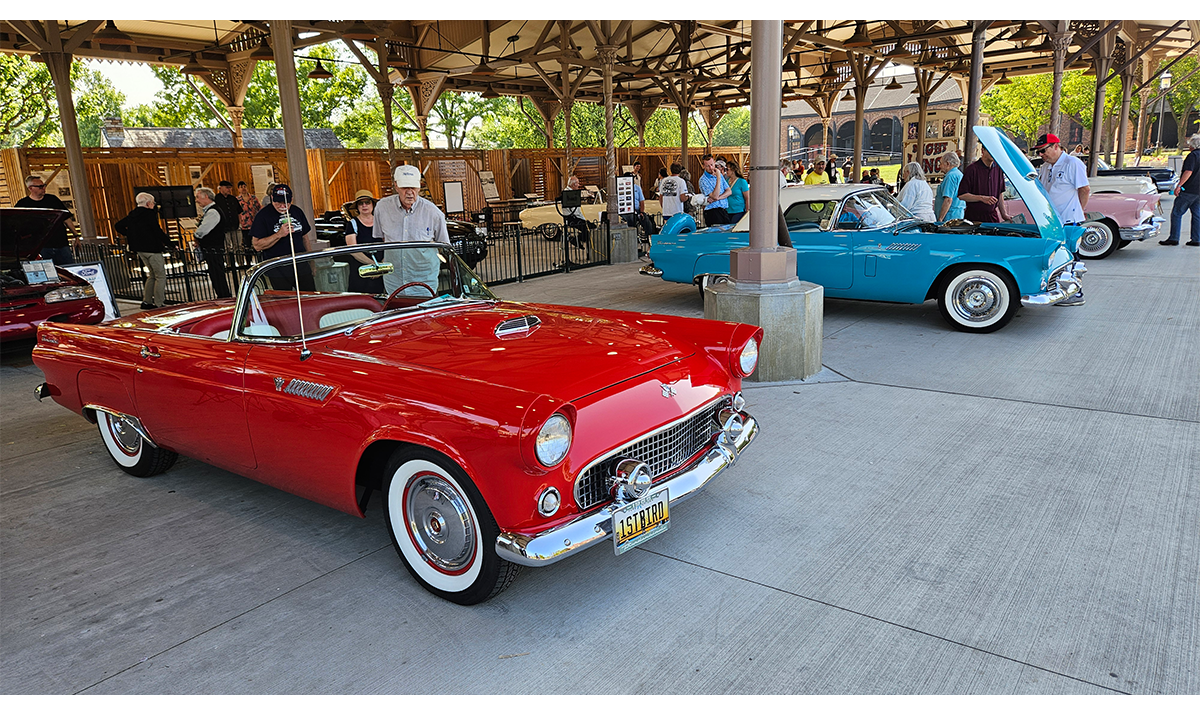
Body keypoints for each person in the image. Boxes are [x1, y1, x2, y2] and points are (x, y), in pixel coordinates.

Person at [374, 164, 449, 296]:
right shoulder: (382, 208)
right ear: (396, 185)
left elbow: (444, 246)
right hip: (393, 282)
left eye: (413, 187)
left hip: (424, 282)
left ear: (419, 186)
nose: (409, 192)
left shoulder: (433, 213)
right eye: (404, 187)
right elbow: (383, 238)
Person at [1033, 132, 1090, 306]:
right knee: (1055, 258)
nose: (1041, 155)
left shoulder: (1072, 163)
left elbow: (1084, 189)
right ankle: (1059, 289)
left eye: (1043, 150)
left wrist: (1079, 210)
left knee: (1071, 257)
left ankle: (1076, 292)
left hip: (1068, 219)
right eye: (1039, 152)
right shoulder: (1045, 167)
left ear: (1055, 146)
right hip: (1052, 221)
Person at [114, 192, 172, 309]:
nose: (154, 205)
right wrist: (170, 243)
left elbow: (118, 225)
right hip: (152, 248)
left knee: (151, 275)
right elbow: (157, 231)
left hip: (140, 249)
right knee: (160, 276)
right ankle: (159, 303)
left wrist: (130, 235)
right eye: (153, 203)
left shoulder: (132, 214)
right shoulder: (149, 214)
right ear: (149, 203)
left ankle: (147, 301)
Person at [250, 183, 313, 292]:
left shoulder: (297, 211)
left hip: (301, 266)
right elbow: (257, 245)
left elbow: (305, 238)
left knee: (309, 297)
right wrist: (279, 234)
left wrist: (311, 263)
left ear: (291, 200)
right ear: (272, 198)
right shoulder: (263, 216)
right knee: (285, 301)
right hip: (278, 269)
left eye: (286, 203)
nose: (282, 206)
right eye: (278, 202)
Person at [16, 175, 77, 264]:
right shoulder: (23, 204)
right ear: (31, 188)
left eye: (44, 185)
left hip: (61, 244)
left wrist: (76, 235)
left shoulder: (53, 199)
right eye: (40, 187)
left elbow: (66, 218)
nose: (43, 188)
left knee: (69, 269)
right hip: (41, 247)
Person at [1160, 133, 1200, 247]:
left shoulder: (1193, 156)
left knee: (1177, 213)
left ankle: (1174, 237)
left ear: (1193, 145)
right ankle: (1196, 238)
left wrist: (1179, 185)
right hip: (1199, 191)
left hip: (1189, 189)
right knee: (1197, 214)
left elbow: (1188, 171)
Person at [193, 186, 232, 299]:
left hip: (214, 248)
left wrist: (196, 236)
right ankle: (222, 295)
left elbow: (203, 230)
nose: (196, 200)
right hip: (212, 247)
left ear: (206, 196)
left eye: (198, 197)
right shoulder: (211, 211)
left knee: (217, 273)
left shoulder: (213, 212)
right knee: (215, 273)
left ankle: (224, 296)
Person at [343, 189, 385, 294]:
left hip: (382, 272)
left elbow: (388, 244)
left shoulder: (381, 222)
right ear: (357, 207)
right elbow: (353, 249)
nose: (364, 205)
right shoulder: (352, 224)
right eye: (361, 203)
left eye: (367, 202)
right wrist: (373, 266)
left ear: (372, 205)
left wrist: (381, 266)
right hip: (360, 271)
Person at [958, 145, 1010, 223]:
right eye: (990, 150)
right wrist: (981, 198)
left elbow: (1000, 193)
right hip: (974, 217)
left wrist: (1004, 214)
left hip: (992, 217)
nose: (993, 153)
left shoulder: (998, 169)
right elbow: (962, 195)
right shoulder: (972, 169)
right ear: (983, 151)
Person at [697, 153, 732, 225]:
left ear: (714, 163)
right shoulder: (703, 180)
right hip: (712, 211)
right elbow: (714, 196)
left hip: (724, 209)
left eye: (712, 165)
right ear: (703, 166)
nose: (711, 168)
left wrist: (718, 198)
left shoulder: (718, 174)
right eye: (707, 166)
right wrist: (718, 177)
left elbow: (729, 191)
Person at [934, 150, 966, 222]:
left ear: (948, 164)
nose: (940, 166)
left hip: (949, 216)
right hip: (958, 214)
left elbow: (948, 199)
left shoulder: (951, 176)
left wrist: (940, 219)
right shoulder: (959, 174)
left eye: (941, 164)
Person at [564, 175, 591, 247]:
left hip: (575, 217)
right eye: (578, 183)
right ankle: (575, 239)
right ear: (573, 184)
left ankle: (577, 239)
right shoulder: (568, 193)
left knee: (591, 226)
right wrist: (583, 219)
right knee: (588, 229)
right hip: (572, 218)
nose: (579, 185)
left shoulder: (570, 192)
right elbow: (574, 211)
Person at [214, 180, 242, 250]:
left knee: (238, 246)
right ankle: (229, 261)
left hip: (235, 226)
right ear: (221, 188)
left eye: (230, 188)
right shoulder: (216, 199)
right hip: (224, 228)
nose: (229, 190)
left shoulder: (233, 199)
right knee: (227, 247)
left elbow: (239, 212)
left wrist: (240, 223)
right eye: (227, 188)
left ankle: (240, 261)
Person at [236, 181, 261, 249]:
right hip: (245, 225)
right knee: (247, 244)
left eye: (244, 187)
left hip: (254, 224)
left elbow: (259, 208)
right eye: (241, 187)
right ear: (238, 189)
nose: (243, 188)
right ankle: (248, 259)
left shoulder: (253, 198)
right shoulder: (237, 200)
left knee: (256, 242)